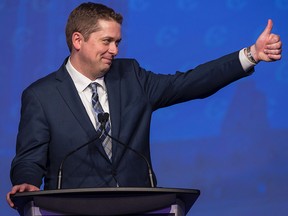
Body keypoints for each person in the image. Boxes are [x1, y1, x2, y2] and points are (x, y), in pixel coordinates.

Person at [7, 2, 282, 209]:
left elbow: (190, 83)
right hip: (72, 210)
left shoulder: (132, 76)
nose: (115, 50)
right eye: (107, 41)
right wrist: (26, 181)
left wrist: (251, 55)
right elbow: (30, 158)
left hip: (138, 208)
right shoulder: (41, 95)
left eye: (117, 42)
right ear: (78, 40)